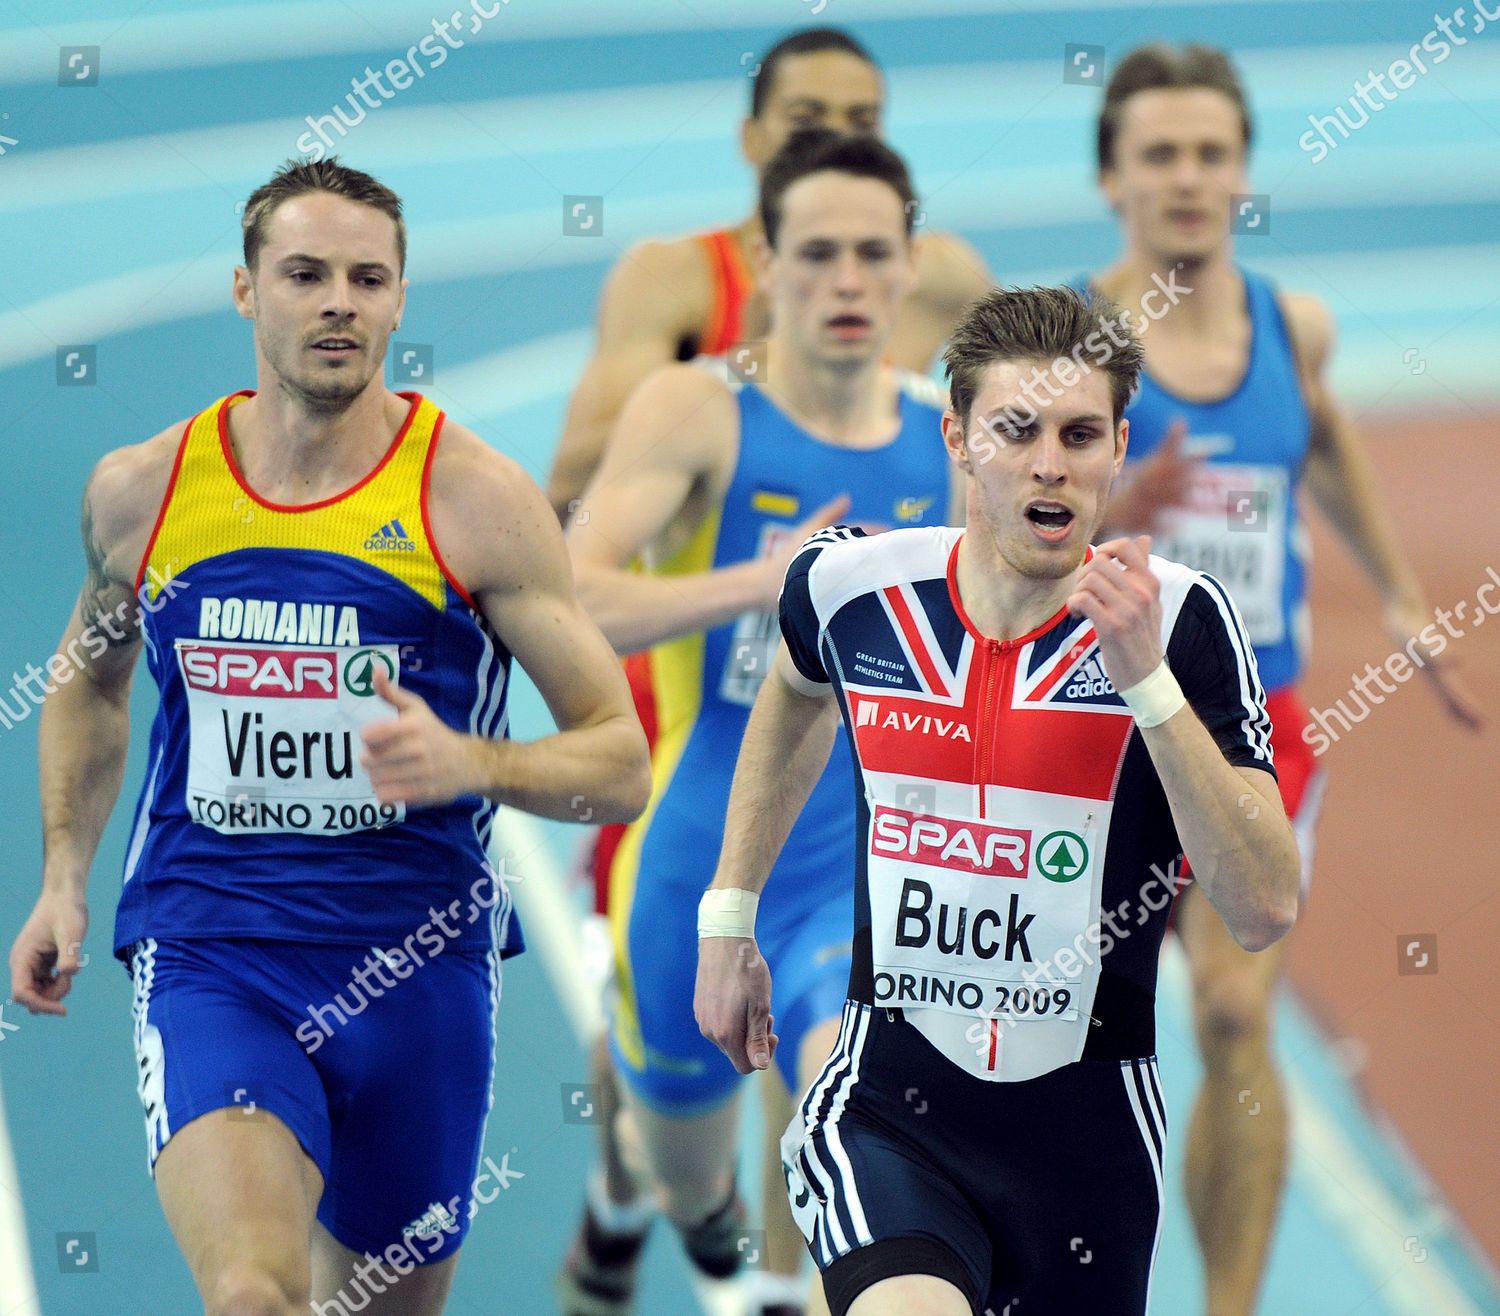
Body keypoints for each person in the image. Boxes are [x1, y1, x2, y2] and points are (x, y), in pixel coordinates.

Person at [7, 158, 650, 1316]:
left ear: (402, 299)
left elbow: (618, 756)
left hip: (418, 971)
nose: (338, 301)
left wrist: (475, 764)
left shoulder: (475, 500)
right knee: (255, 1294)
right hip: (214, 949)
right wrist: (63, 874)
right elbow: (87, 682)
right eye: (305, 274)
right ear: (247, 291)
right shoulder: (142, 491)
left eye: (367, 277)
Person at [695, 284, 1303, 1316]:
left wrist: (1146, 681)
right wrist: (729, 914)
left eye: (1080, 434)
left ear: (1119, 446)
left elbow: (1263, 906)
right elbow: (795, 693)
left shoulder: (1186, 622)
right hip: (888, 1111)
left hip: (1089, 1144)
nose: (1048, 464)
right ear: (960, 439)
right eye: (1015, 430)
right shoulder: (852, 588)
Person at [551, 32, 991, 1315]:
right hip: (694, 862)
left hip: (860, 871)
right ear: (767, 263)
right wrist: (779, 580)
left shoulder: (951, 438)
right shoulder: (697, 408)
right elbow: (580, 595)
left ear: (912, 269)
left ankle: (814, 1287)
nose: (849, 278)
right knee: (689, 1173)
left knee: (855, 1131)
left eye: (874, 253)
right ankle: (649, 1195)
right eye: (818, 252)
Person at [1078, 44, 1482, 1315]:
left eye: (1210, 153)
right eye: (1160, 154)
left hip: (1255, 730)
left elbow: (1328, 438)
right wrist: (1103, 499)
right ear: (1113, 178)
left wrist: (1405, 595)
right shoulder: (1079, 343)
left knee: (1239, 1017)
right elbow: (998, 518)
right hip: (1098, 733)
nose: (1189, 178)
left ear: (1243, 172)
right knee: (1070, 1033)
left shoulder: (1291, 326)